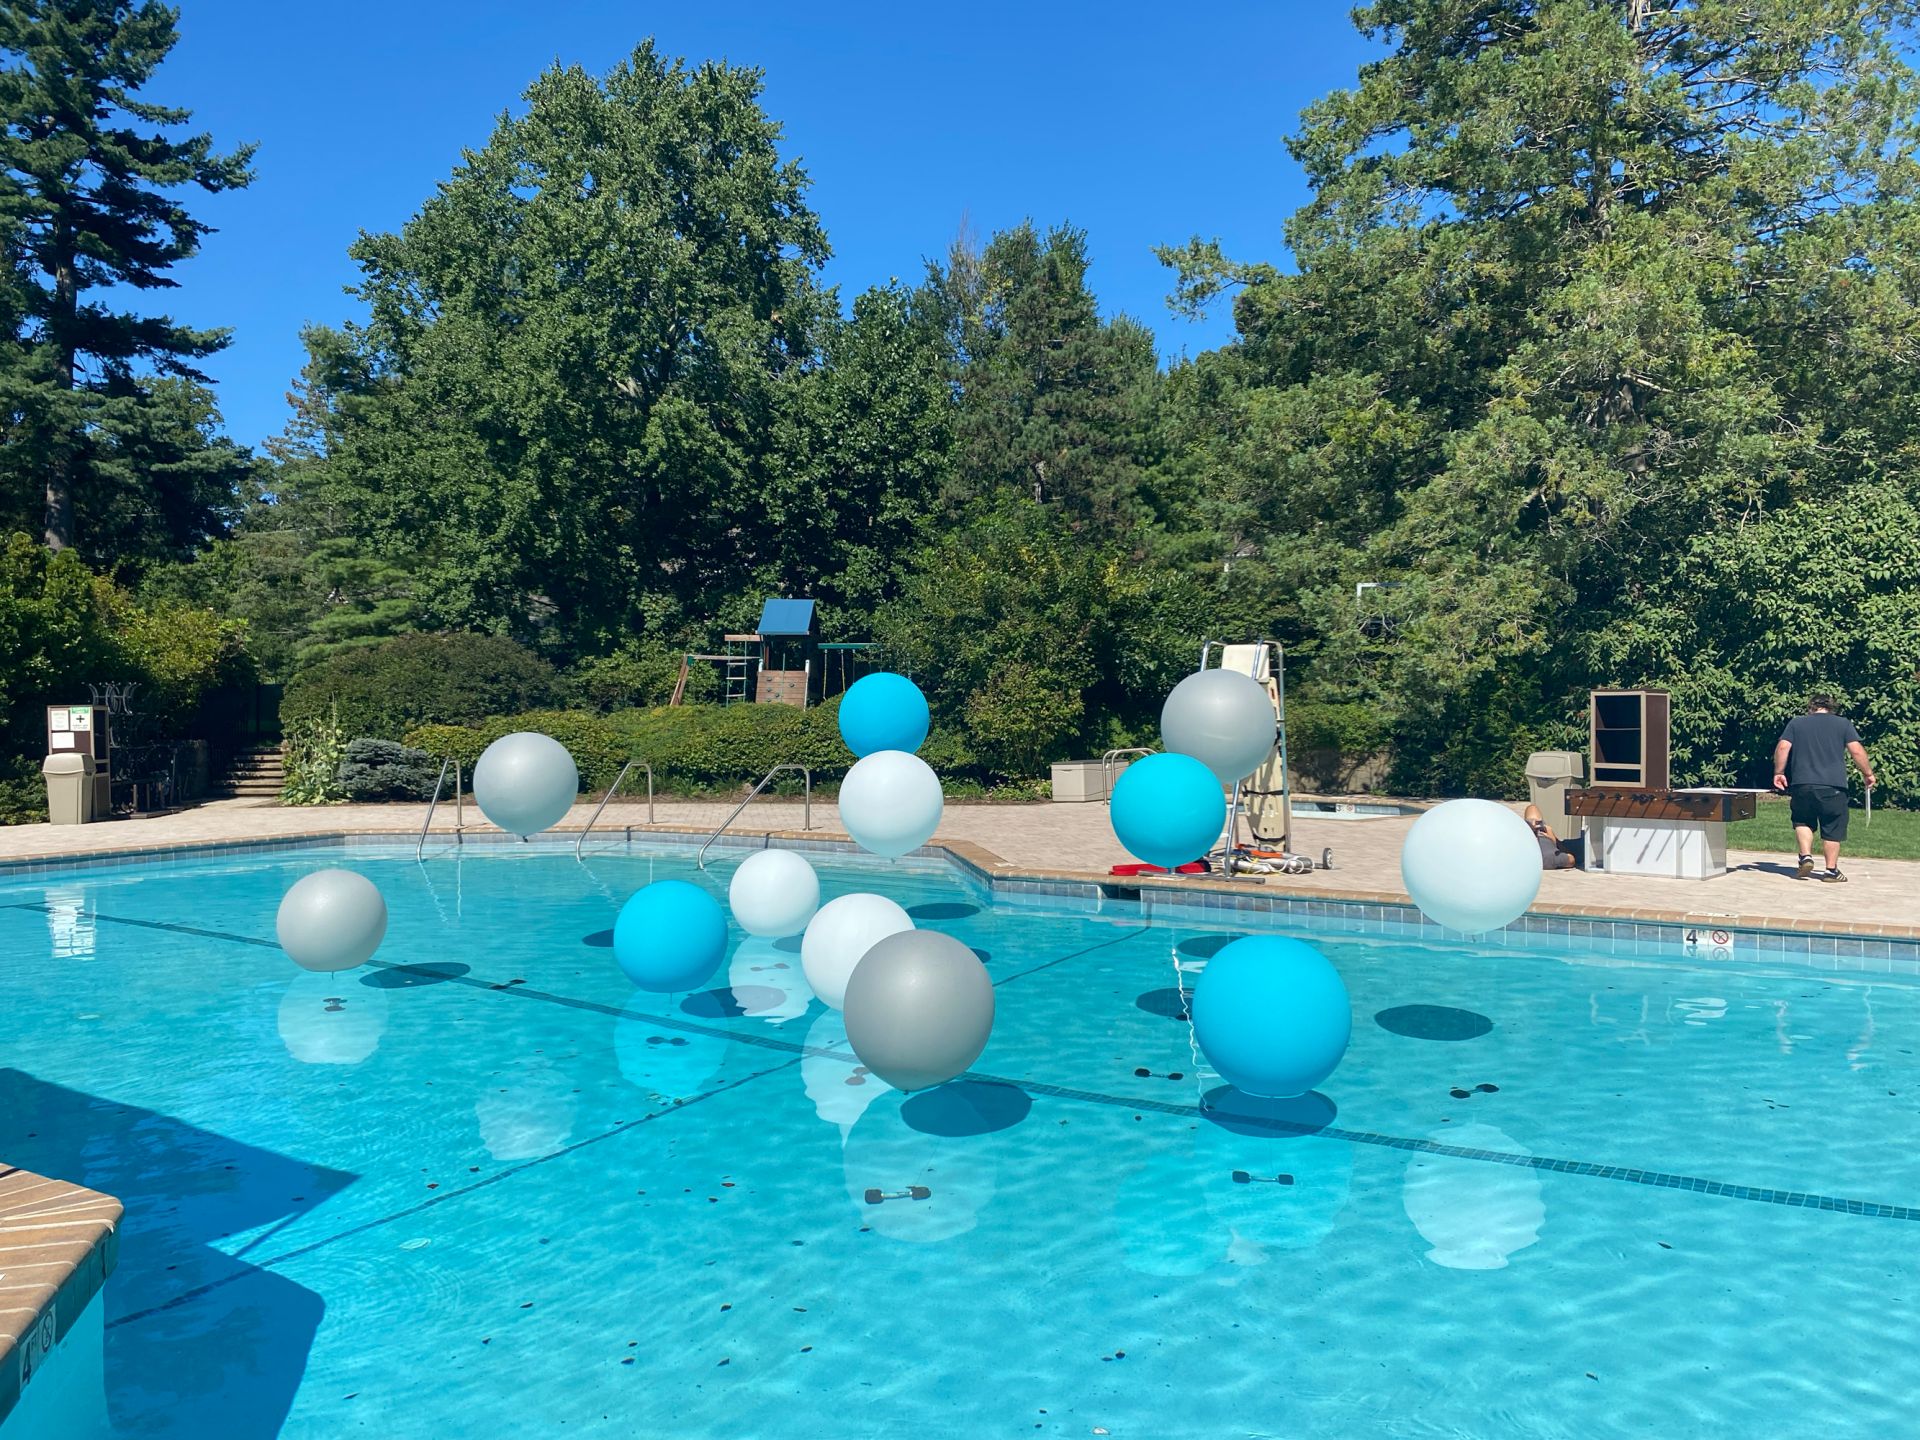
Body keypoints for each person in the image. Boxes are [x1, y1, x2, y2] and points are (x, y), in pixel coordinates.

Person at [1772, 696, 1877, 882]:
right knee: (1832, 826)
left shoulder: (1796, 723)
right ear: (1832, 708)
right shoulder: (1843, 724)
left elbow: (1782, 747)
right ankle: (1831, 871)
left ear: (1811, 707)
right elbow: (1856, 750)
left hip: (1802, 783)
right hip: (1833, 785)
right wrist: (1868, 773)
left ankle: (1805, 856)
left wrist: (1779, 772)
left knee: (1802, 820)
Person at [1523, 804, 1577, 870]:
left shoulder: (1526, 858)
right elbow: (1571, 860)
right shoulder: (1552, 858)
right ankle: (1536, 824)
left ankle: (1531, 823)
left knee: (1532, 808)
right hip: (1554, 845)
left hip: (1538, 839)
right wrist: (1552, 838)